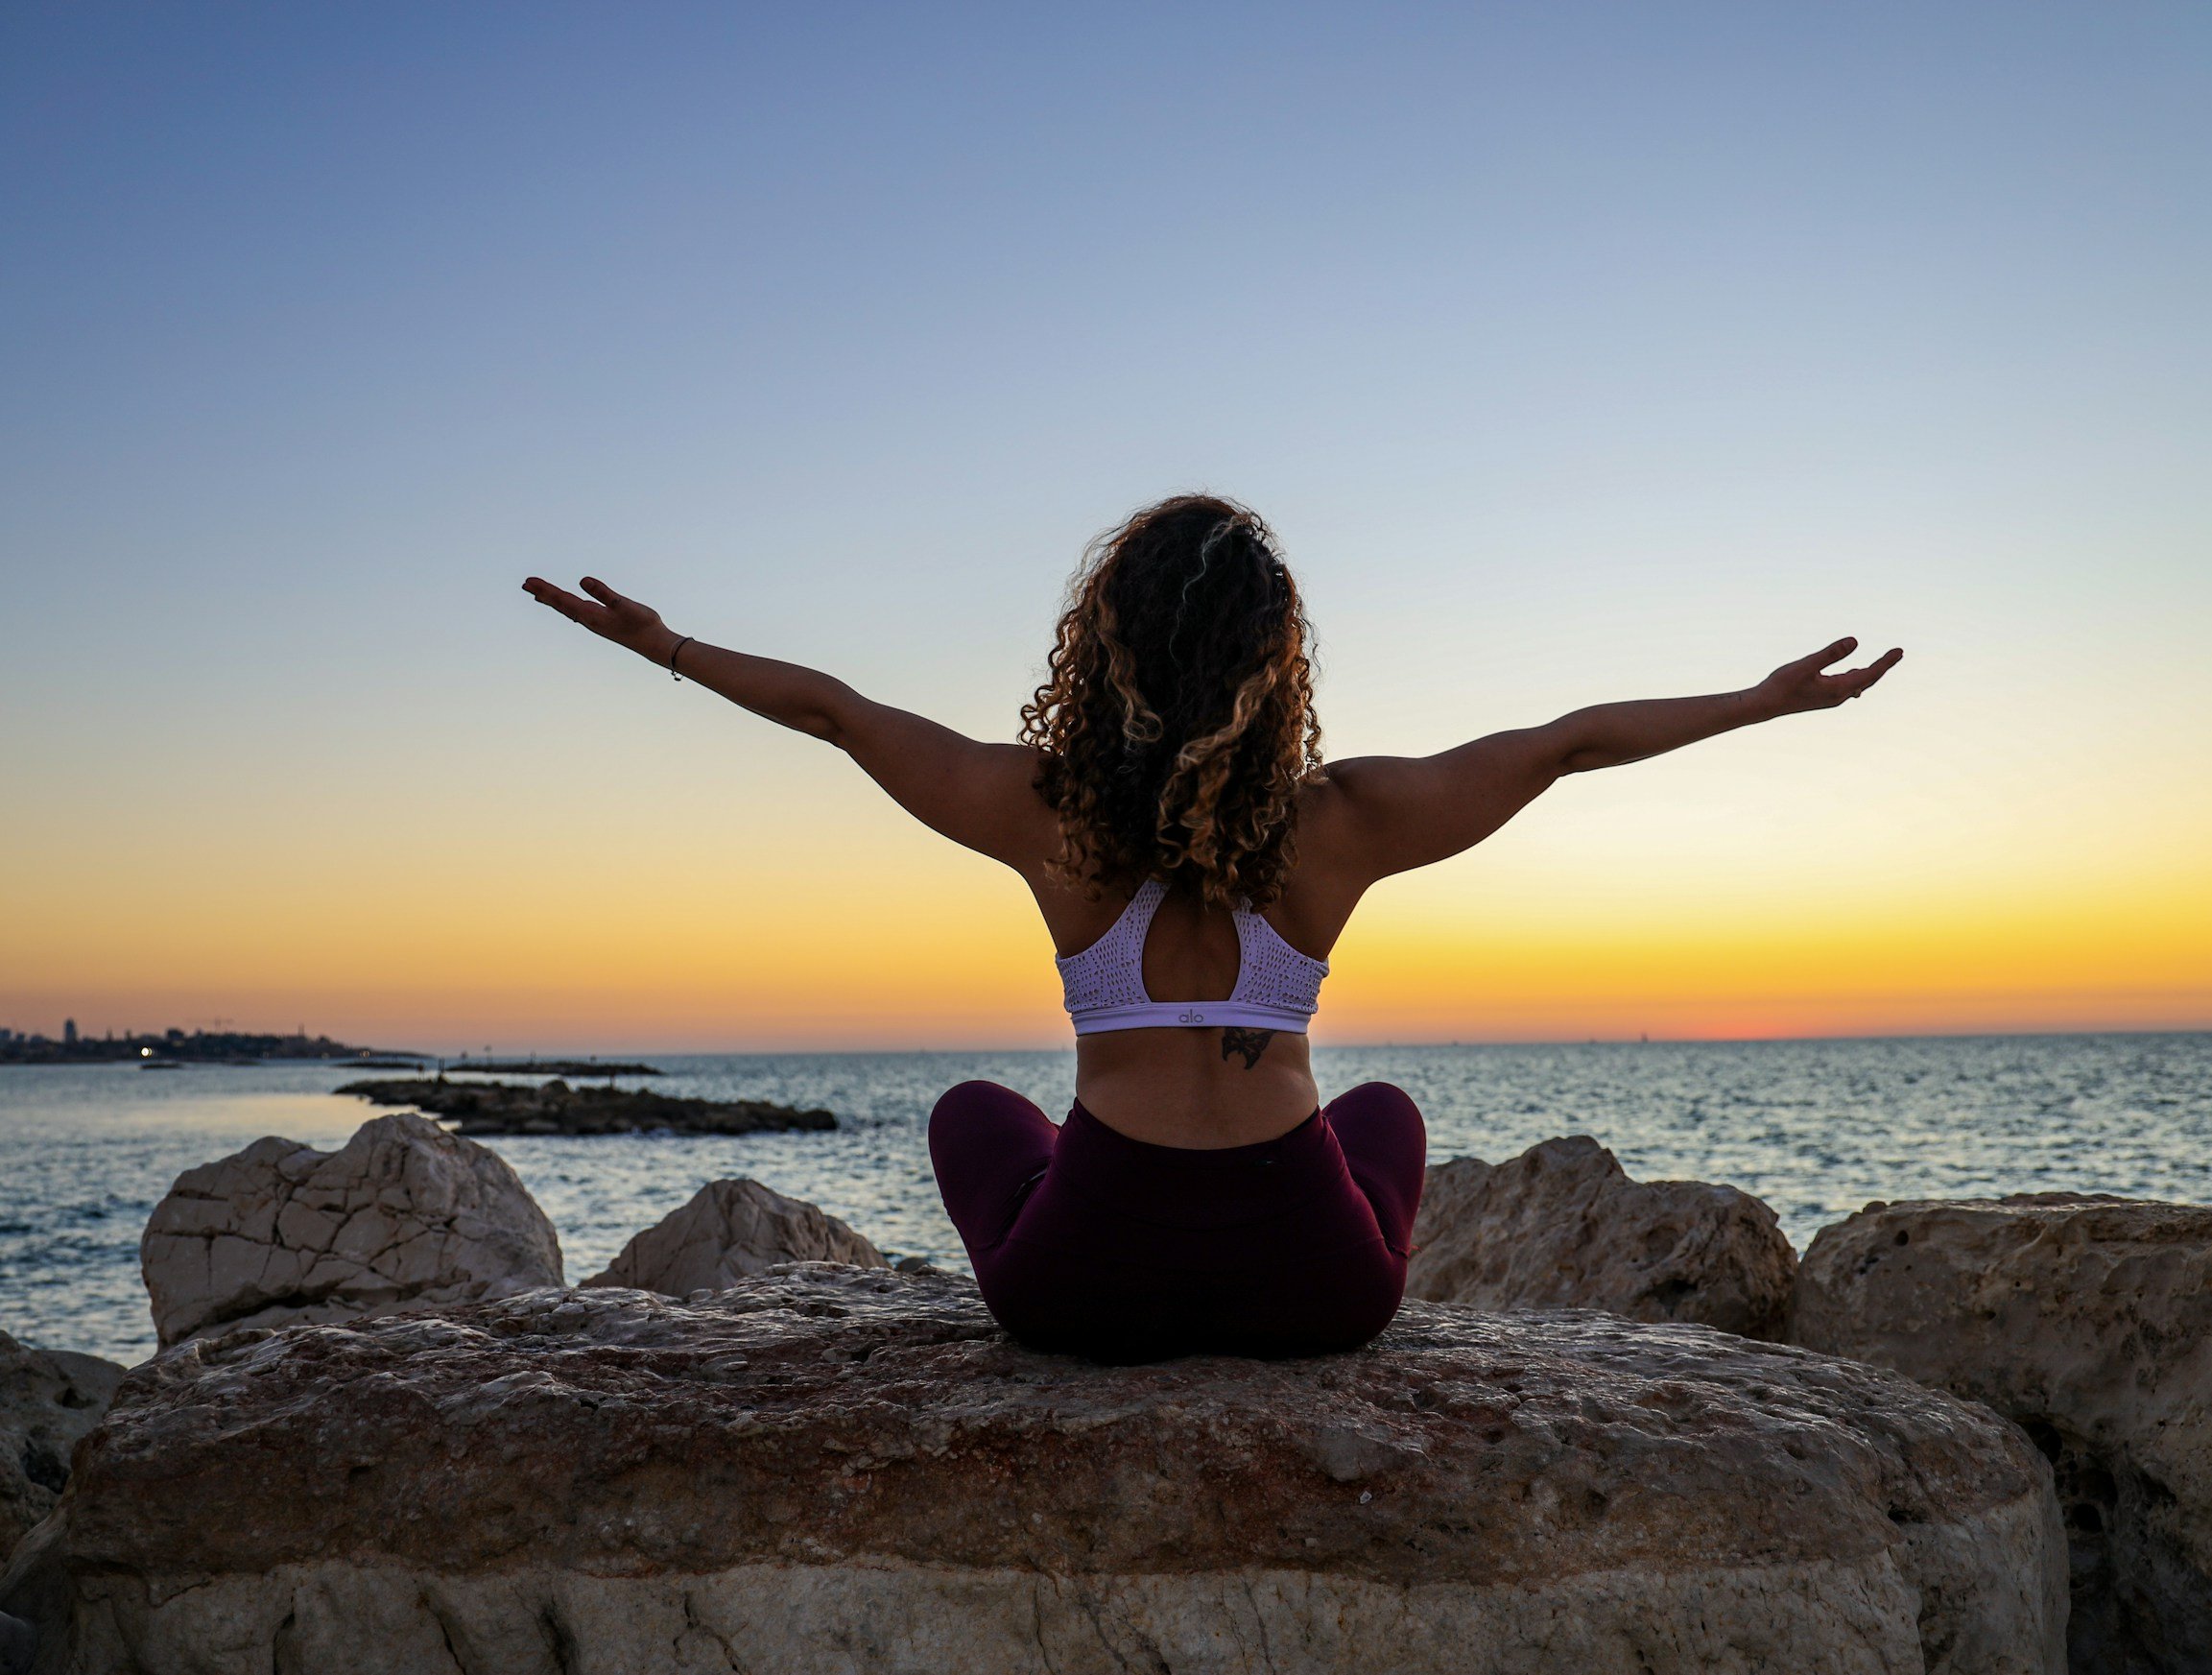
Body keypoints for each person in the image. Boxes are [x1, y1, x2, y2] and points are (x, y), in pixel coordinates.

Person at [525, 494, 1899, 1360]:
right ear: (1275, 664)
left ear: (1100, 649)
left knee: (971, 1113)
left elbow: (837, 712)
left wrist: (669, 645)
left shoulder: (1045, 812)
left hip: (1082, 1286)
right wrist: (1759, 699)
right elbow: (1566, 745)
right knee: (1388, 1116)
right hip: (1313, 1286)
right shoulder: (1342, 822)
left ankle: (1094, 1172)